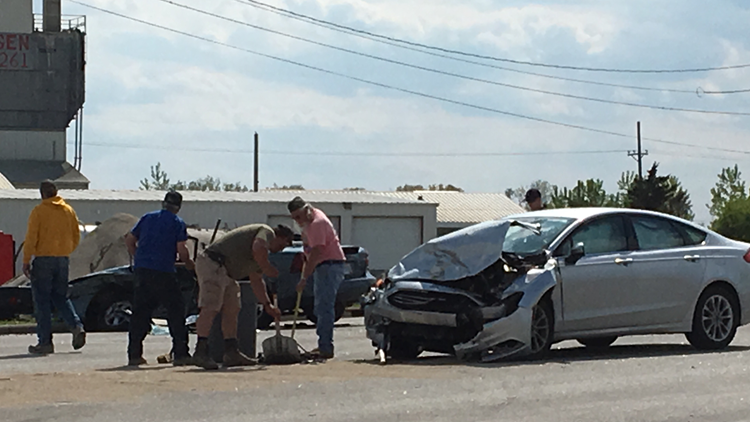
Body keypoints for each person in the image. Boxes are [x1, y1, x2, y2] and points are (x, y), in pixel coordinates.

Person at [191, 224, 293, 370]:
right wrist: (267, 267)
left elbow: (257, 281)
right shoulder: (266, 232)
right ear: (280, 237)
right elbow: (258, 248)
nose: (283, 248)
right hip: (213, 263)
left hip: (226, 272)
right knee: (210, 307)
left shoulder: (259, 256)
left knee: (232, 308)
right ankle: (200, 351)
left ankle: (231, 351)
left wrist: (267, 305)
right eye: (285, 243)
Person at [124, 191, 194, 367]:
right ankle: (180, 353)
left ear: (163, 203)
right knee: (175, 311)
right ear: (178, 207)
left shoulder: (147, 217)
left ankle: (134, 354)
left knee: (140, 312)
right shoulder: (177, 223)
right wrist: (189, 264)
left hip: (142, 271)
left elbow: (130, 239)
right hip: (164, 272)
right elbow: (182, 249)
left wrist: (138, 256)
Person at [23, 180, 86, 355]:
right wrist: (65, 250)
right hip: (63, 259)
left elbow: (31, 238)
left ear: (42, 193)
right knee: (61, 296)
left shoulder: (39, 212)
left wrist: (26, 260)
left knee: (42, 301)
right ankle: (76, 326)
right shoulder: (68, 210)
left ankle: (45, 342)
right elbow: (76, 235)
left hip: (43, 259)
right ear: (56, 192)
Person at [288, 197, 346, 360]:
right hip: (323, 266)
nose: (297, 221)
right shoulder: (308, 223)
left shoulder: (317, 223)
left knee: (324, 307)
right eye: (294, 218)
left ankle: (325, 347)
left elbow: (317, 252)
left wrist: (304, 278)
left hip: (329, 265)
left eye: (299, 216)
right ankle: (323, 345)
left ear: (307, 210)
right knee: (320, 306)